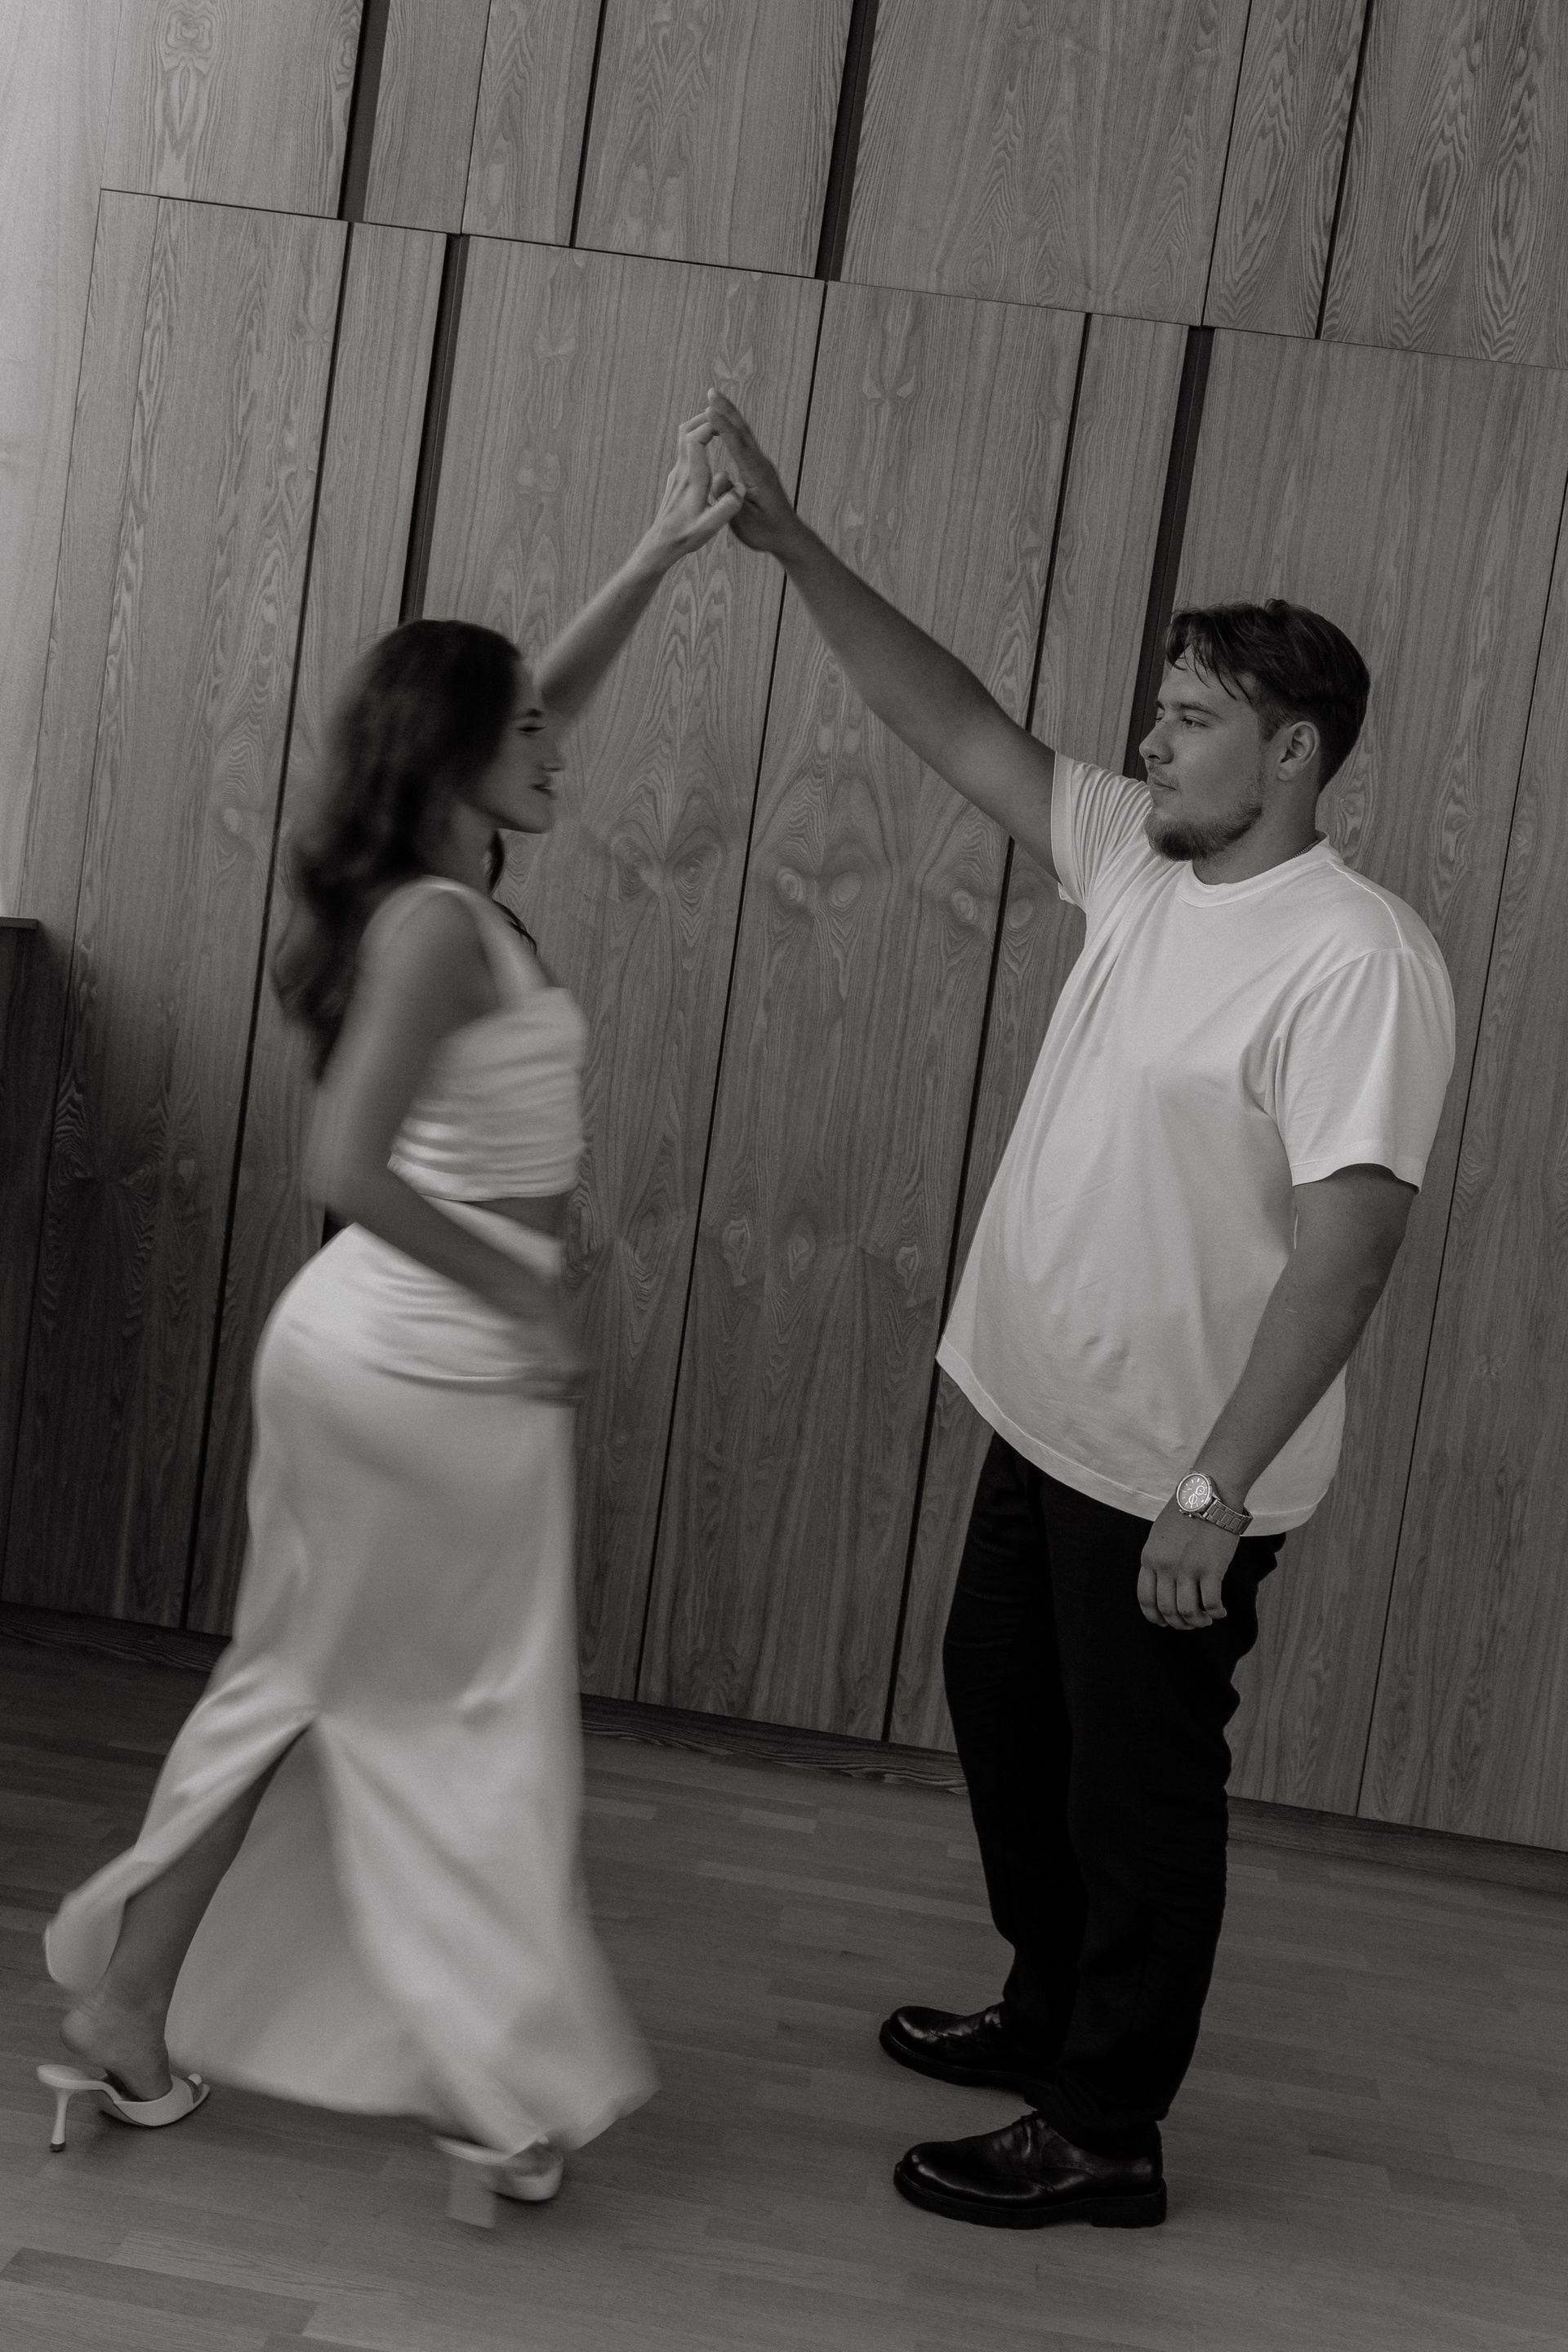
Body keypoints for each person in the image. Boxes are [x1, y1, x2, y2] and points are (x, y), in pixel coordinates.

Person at [704, 390, 1454, 2230]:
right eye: (1159, 714)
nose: (1147, 744)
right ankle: (1048, 2011)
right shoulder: (1139, 858)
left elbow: (1350, 1249)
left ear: (1293, 753)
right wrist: (794, 546)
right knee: (1008, 1724)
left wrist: (1213, 1490)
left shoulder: (1358, 958)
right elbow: (951, 715)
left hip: (1173, 1474)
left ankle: (1108, 2128)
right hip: (1044, 1416)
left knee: (1138, 1797)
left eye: (1190, 721)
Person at [40, 416, 742, 2227]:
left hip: (388, 1352)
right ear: (452, 758)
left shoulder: (442, 879)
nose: (557, 748)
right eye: (525, 735)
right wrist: (528, 1299)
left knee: (305, 1684)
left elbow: (534, 699)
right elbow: (344, 1161)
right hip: (427, 1357)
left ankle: (128, 2007)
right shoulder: (436, 924)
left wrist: (657, 556)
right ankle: (492, 2092)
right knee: (463, 1718)